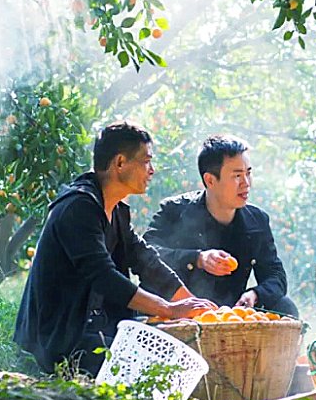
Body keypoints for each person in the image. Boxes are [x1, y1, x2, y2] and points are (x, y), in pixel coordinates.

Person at [14, 122, 215, 376]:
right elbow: (104, 276)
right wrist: (168, 309)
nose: (152, 171)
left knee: (170, 349)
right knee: (158, 366)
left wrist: (191, 305)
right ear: (120, 163)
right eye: (146, 161)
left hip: (96, 328)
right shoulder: (78, 207)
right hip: (59, 339)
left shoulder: (118, 211)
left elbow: (145, 260)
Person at [142, 135, 298, 315]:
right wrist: (197, 259)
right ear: (210, 180)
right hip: (176, 310)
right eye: (237, 176)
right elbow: (146, 255)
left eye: (248, 173)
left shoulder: (257, 220)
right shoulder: (174, 211)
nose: (246, 183)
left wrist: (255, 294)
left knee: (285, 306)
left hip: (230, 316)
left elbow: (275, 275)